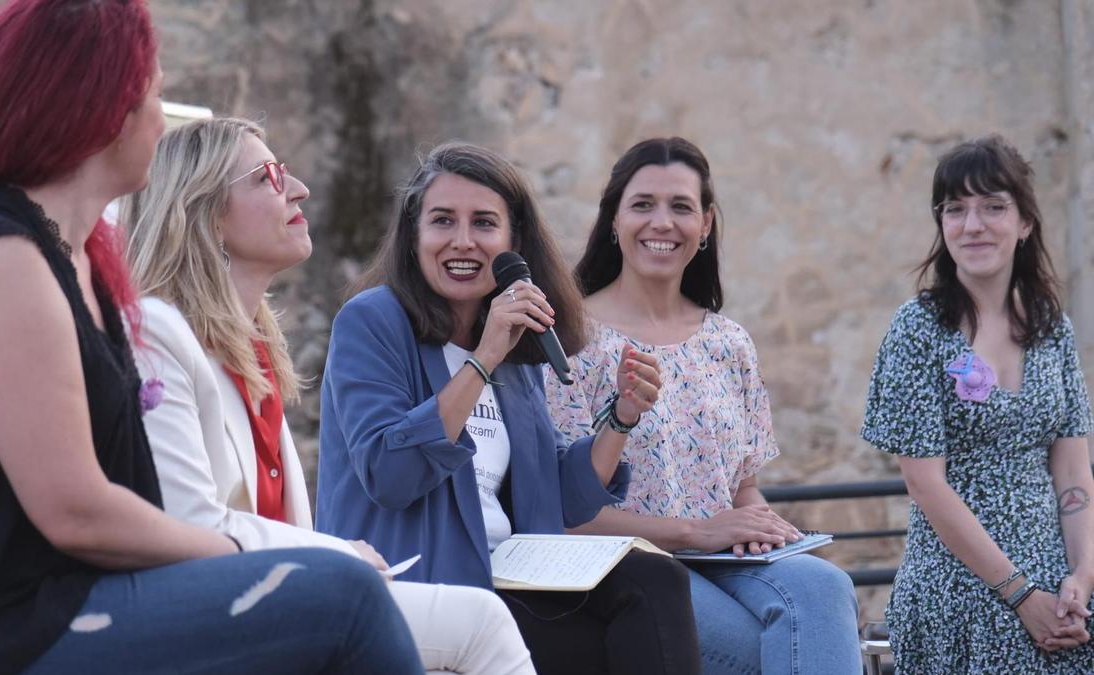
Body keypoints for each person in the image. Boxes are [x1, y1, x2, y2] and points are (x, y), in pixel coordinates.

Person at [0, 2, 422, 673]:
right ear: (102, 110)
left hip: (74, 602)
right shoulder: (1, 258)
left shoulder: (80, 262)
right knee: (343, 598)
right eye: (155, 94)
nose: (160, 117)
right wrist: (243, 558)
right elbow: (75, 512)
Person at [121, 116, 535, 675]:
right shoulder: (157, 332)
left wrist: (620, 422)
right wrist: (339, 555)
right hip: (209, 609)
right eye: (268, 176)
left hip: (276, 595)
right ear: (204, 211)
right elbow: (191, 522)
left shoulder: (256, 349)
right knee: (480, 623)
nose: (299, 189)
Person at [315, 141, 701, 675]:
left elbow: (557, 494)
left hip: (516, 580)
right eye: (443, 221)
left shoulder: (516, 353)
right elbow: (389, 471)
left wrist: (622, 417)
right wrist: (484, 356)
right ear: (414, 235)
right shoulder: (374, 322)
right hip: (427, 590)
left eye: (484, 223)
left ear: (512, 241)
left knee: (654, 581)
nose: (463, 241)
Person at [546, 137, 860, 674]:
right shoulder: (571, 340)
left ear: (707, 223)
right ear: (614, 219)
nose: (661, 222)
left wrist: (765, 528)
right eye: (643, 205)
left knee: (827, 586)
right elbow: (566, 513)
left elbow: (741, 488)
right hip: (631, 565)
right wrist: (699, 532)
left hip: (723, 561)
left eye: (681, 207)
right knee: (763, 648)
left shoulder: (729, 341)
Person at [861, 135, 1094, 672]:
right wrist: (1021, 595)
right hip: (960, 577)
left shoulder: (1051, 327)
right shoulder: (918, 329)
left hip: (1057, 576)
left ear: (1025, 222)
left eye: (993, 207)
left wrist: (1081, 576)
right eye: (956, 209)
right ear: (941, 224)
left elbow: (1072, 466)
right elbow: (925, 483)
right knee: (1006, 641)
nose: (973, 225)